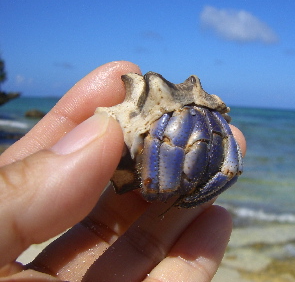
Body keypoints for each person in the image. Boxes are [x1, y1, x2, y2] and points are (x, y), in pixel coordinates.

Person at [0, 61, 246, 281]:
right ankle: (160, 186)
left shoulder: (212, 121)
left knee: (223, 159)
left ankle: (170, 189)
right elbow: (175, 140)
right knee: (184, 140)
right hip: (169, 123)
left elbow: (228, 164)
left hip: (192, 116)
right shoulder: (178, 118)